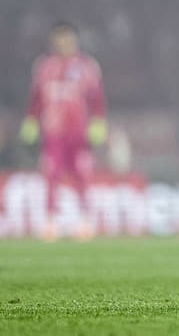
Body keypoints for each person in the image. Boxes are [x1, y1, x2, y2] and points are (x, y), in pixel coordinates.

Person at [19, 21, 107, 241]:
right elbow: (36, 98)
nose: (63, 43)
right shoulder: (44, 66)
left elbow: (97, 100)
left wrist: (98, 123)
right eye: (59, 39)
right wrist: (30, 121)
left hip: (79, 133)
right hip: (53, 132)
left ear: (75, 40)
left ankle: (85, 221)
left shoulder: (87, 66)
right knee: (51, 175)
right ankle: (50, 222)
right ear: (53, 41)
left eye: (67, 39)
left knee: (82, 175)